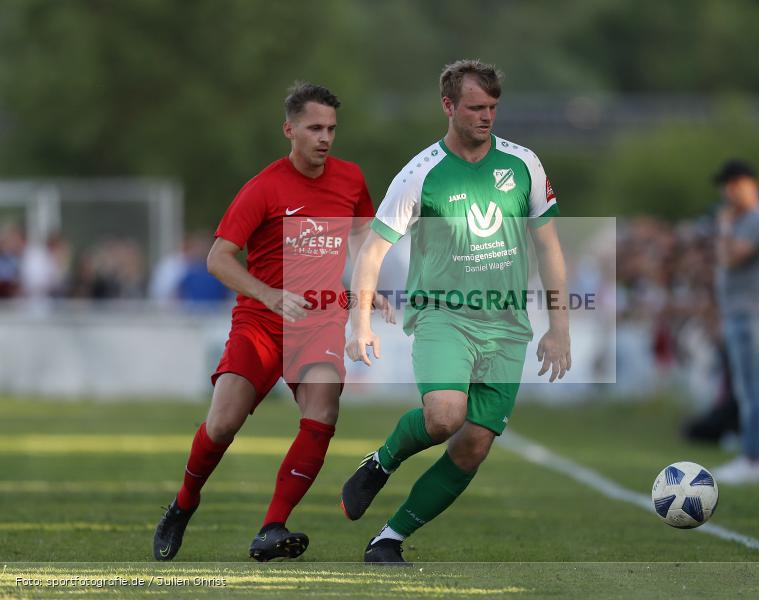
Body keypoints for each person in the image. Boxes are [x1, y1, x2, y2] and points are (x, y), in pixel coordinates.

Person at [340, 59, 571, 563]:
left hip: (507, 326)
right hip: (443, 316)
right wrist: (358, 322)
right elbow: (373, 252)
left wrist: (559, 328)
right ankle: (381, 462)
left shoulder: (523, 165)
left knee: (472, 447)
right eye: (475, 107)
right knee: (445, 417)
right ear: (448, 106)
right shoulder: (420, 174)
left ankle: (389, 539)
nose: (486, 117)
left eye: (492, 107)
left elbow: (550, 247)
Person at [153, 82, 391, 562]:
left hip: (321, 319)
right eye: (314, 128)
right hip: (261, 322)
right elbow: (218, 259)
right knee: (222, 425)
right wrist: (268, 294)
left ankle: (272, 527)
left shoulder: (350, 179)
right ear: (290, 130)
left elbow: (364, 235)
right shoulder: (264, 187)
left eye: (331, 129)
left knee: (323, 412)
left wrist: (369, 290)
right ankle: (182, 505)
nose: (325, 138)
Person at [711, 159, 759, 485]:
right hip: (741, 313)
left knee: (753, 391)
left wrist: (724, 227)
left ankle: (758, 458)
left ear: (749, 184)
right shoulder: (746, 220)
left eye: (733, 184)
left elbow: (731, 257)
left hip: (752, 314)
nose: (728, 192)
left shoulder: (755, 221)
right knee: (749, 389)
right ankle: (758, 457)